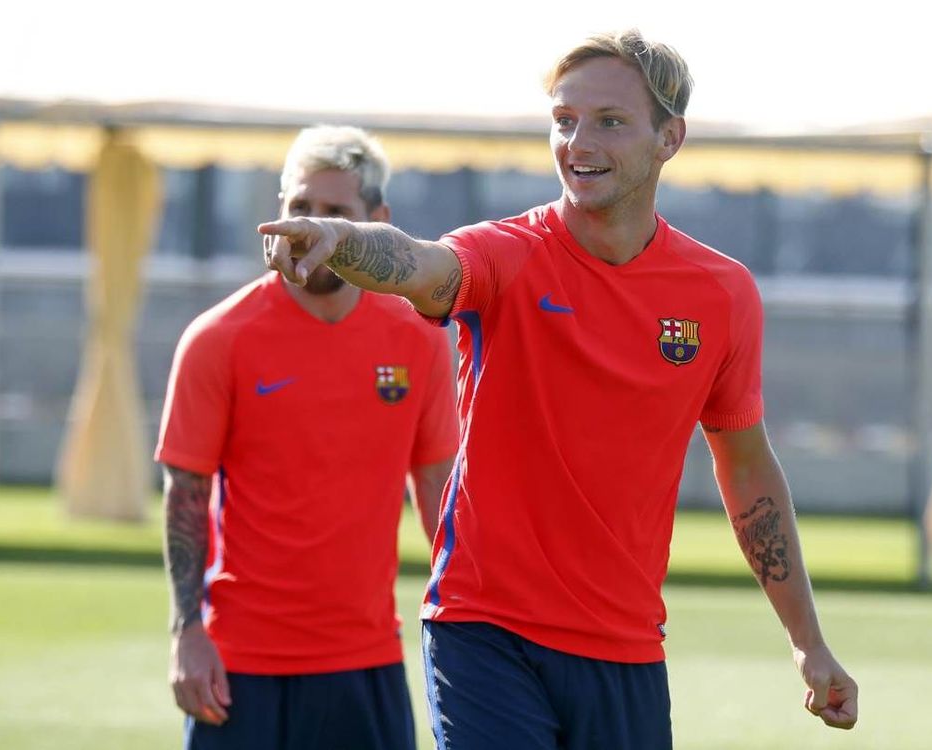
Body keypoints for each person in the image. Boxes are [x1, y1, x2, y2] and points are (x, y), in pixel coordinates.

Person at [260, 29, 859, 750]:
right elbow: (419, 263)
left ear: (670, 137)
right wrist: (344, 240)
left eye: (610, 121)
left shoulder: (722, 294)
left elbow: (747, 466)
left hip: (626, 649)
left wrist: (807, 642)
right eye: (564, 119)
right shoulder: (505, 254)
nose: (579, 141)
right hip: (483, 633)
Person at [157, 124, 458, 750]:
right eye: (300, 209)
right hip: (242, 665)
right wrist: (186, 632)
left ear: (376, 221)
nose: (311, 230)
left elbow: (436, 488)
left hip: (365, 659)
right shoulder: (219, 339)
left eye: (335, 214)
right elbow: (186, 491)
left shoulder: (419, 338)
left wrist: (471, 620)